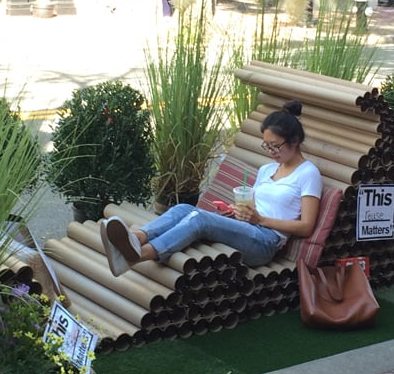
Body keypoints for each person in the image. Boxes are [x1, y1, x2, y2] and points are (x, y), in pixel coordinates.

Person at [100, 100, 321, 275]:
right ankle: (136, 238)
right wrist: (237, 211)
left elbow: (306, 226)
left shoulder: (307, 173)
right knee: (183, 209)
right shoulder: (267, 170)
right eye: (267, 146)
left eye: (276, 146)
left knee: (200, 219)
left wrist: (260, 220)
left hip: (266, 242)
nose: (271, 151)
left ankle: (136, 256)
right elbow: (253, 209)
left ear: (294, 141)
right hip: (249, 230)